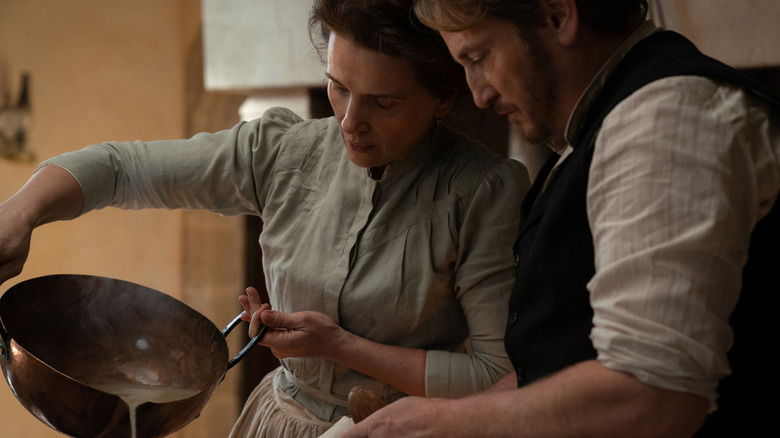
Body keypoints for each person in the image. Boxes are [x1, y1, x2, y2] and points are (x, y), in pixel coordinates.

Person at [0, 0, 531, 436]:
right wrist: (19, 213)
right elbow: (121, 170)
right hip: (277, 422)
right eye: (339, 86)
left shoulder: (482, 192)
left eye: (383, 102)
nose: (350, 122)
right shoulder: (281, 152)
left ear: (443, 97)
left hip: (403, 429)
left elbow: (496, 377)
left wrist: (341, 347)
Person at [343, 0, 780, 437]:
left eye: (478, 58)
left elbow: (655, 395)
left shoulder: (667, 119)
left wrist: (445, 423)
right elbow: (558, 360)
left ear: (559, 14)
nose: (479, 93)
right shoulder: (601, 126)